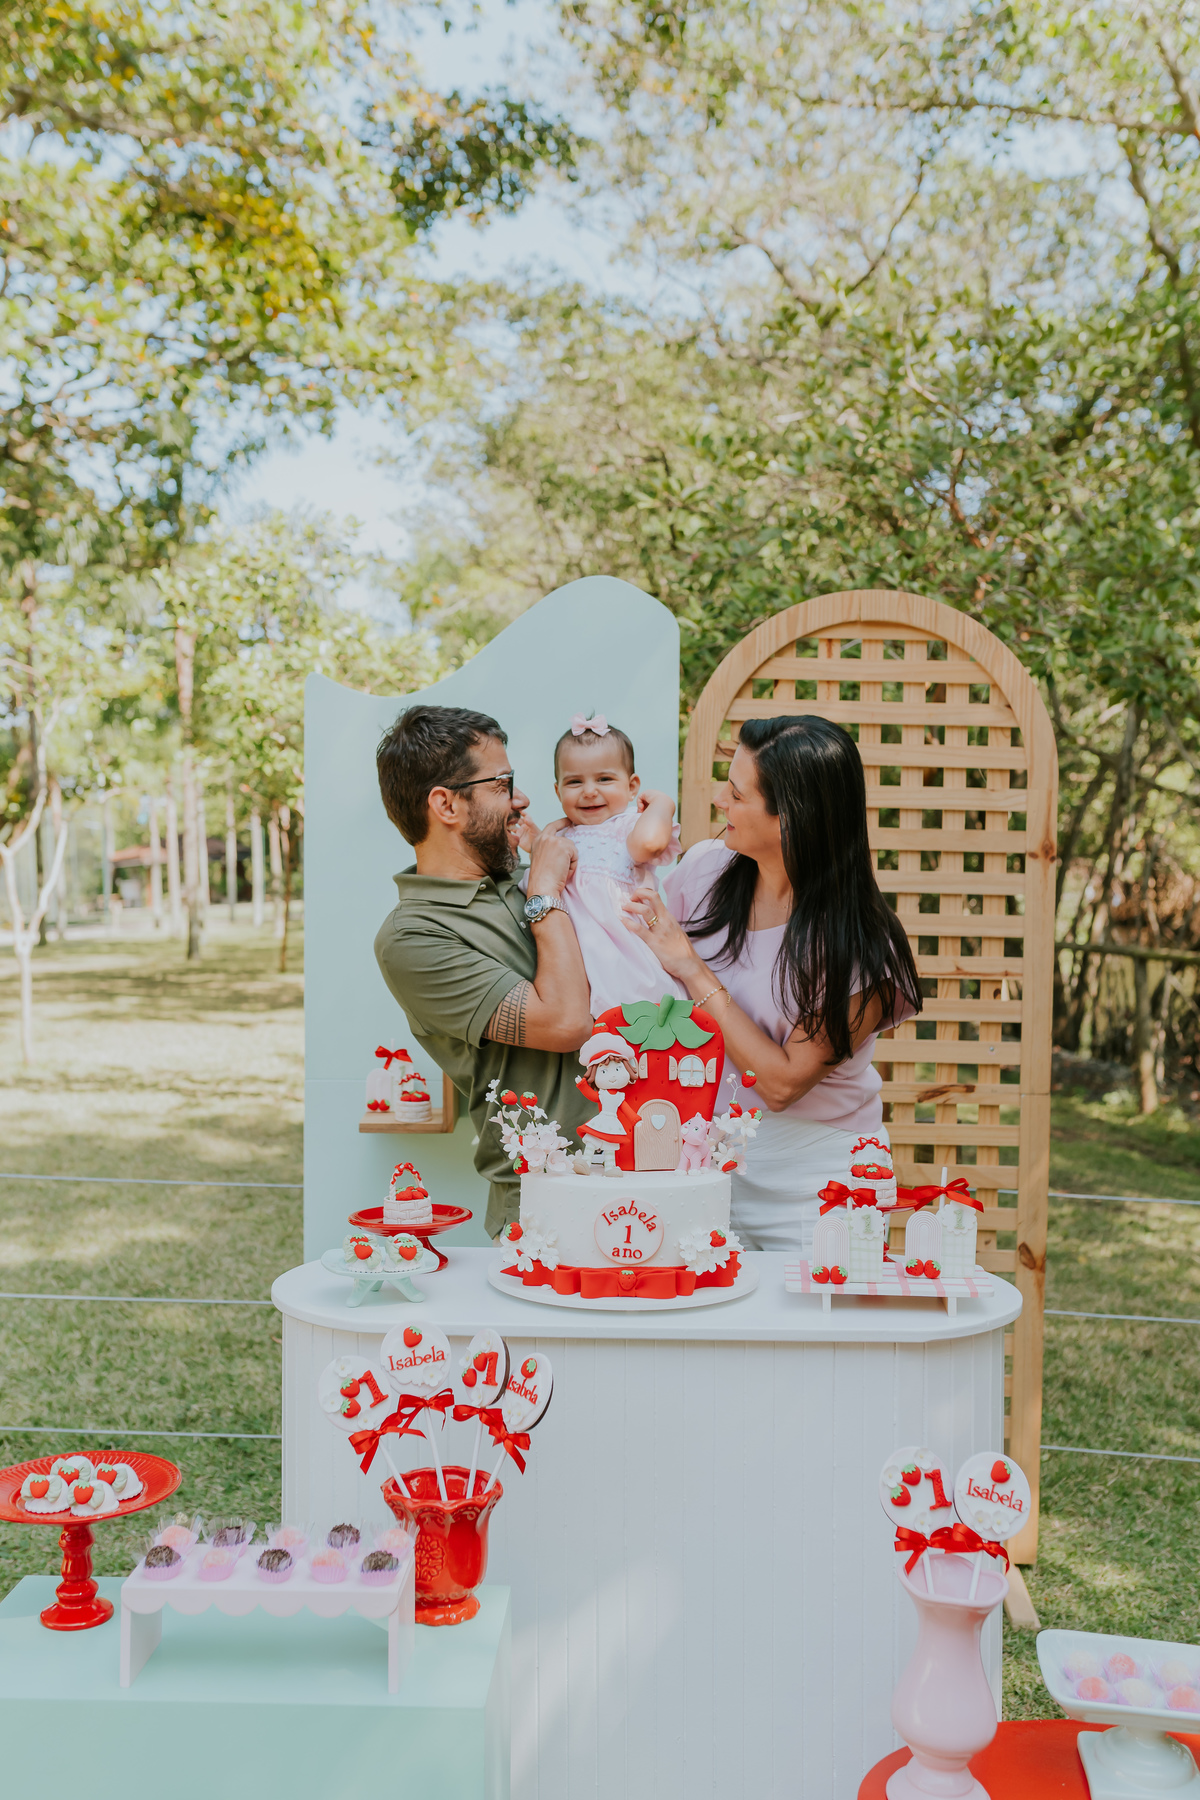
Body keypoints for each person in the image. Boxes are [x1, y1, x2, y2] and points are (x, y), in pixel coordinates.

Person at [623, 714, 922, 1254]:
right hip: (704, 1160)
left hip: (816, 1179)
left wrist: (693, 967)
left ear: (792, 819)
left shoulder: (861, 943)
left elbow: (783, 1084)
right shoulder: (706, 871)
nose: (719, 800)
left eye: (737, 794)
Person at [374, 704, 594, 1238]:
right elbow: (566, 1023)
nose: (520, 799)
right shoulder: (413, 939)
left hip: (656, 1172)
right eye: (503, 784)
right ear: (446, 804)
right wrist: (543, 893)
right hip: (548, 1206)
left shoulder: (525, 874)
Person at [524, 713, 684, 1015]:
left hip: (621, 956)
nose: (589, 791)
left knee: (634, 1026)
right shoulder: (562, 833)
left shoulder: (630, 827)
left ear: (632, 785)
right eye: (574, 782)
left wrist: (663, 804)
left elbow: (650, 844)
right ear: (558, 791)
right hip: (570, 957)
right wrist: (534, 840)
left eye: (604, 779)